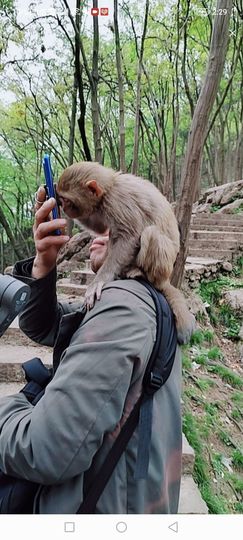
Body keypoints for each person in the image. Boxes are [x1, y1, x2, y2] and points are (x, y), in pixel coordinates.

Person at [0, 189, 183, 514]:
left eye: (115, 227)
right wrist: (44, 262)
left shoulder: (123, 308)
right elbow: (46, 325)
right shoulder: (139, 300)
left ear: (139, 241)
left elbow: (43, 450)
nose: (101, 231)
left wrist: (11, 407)